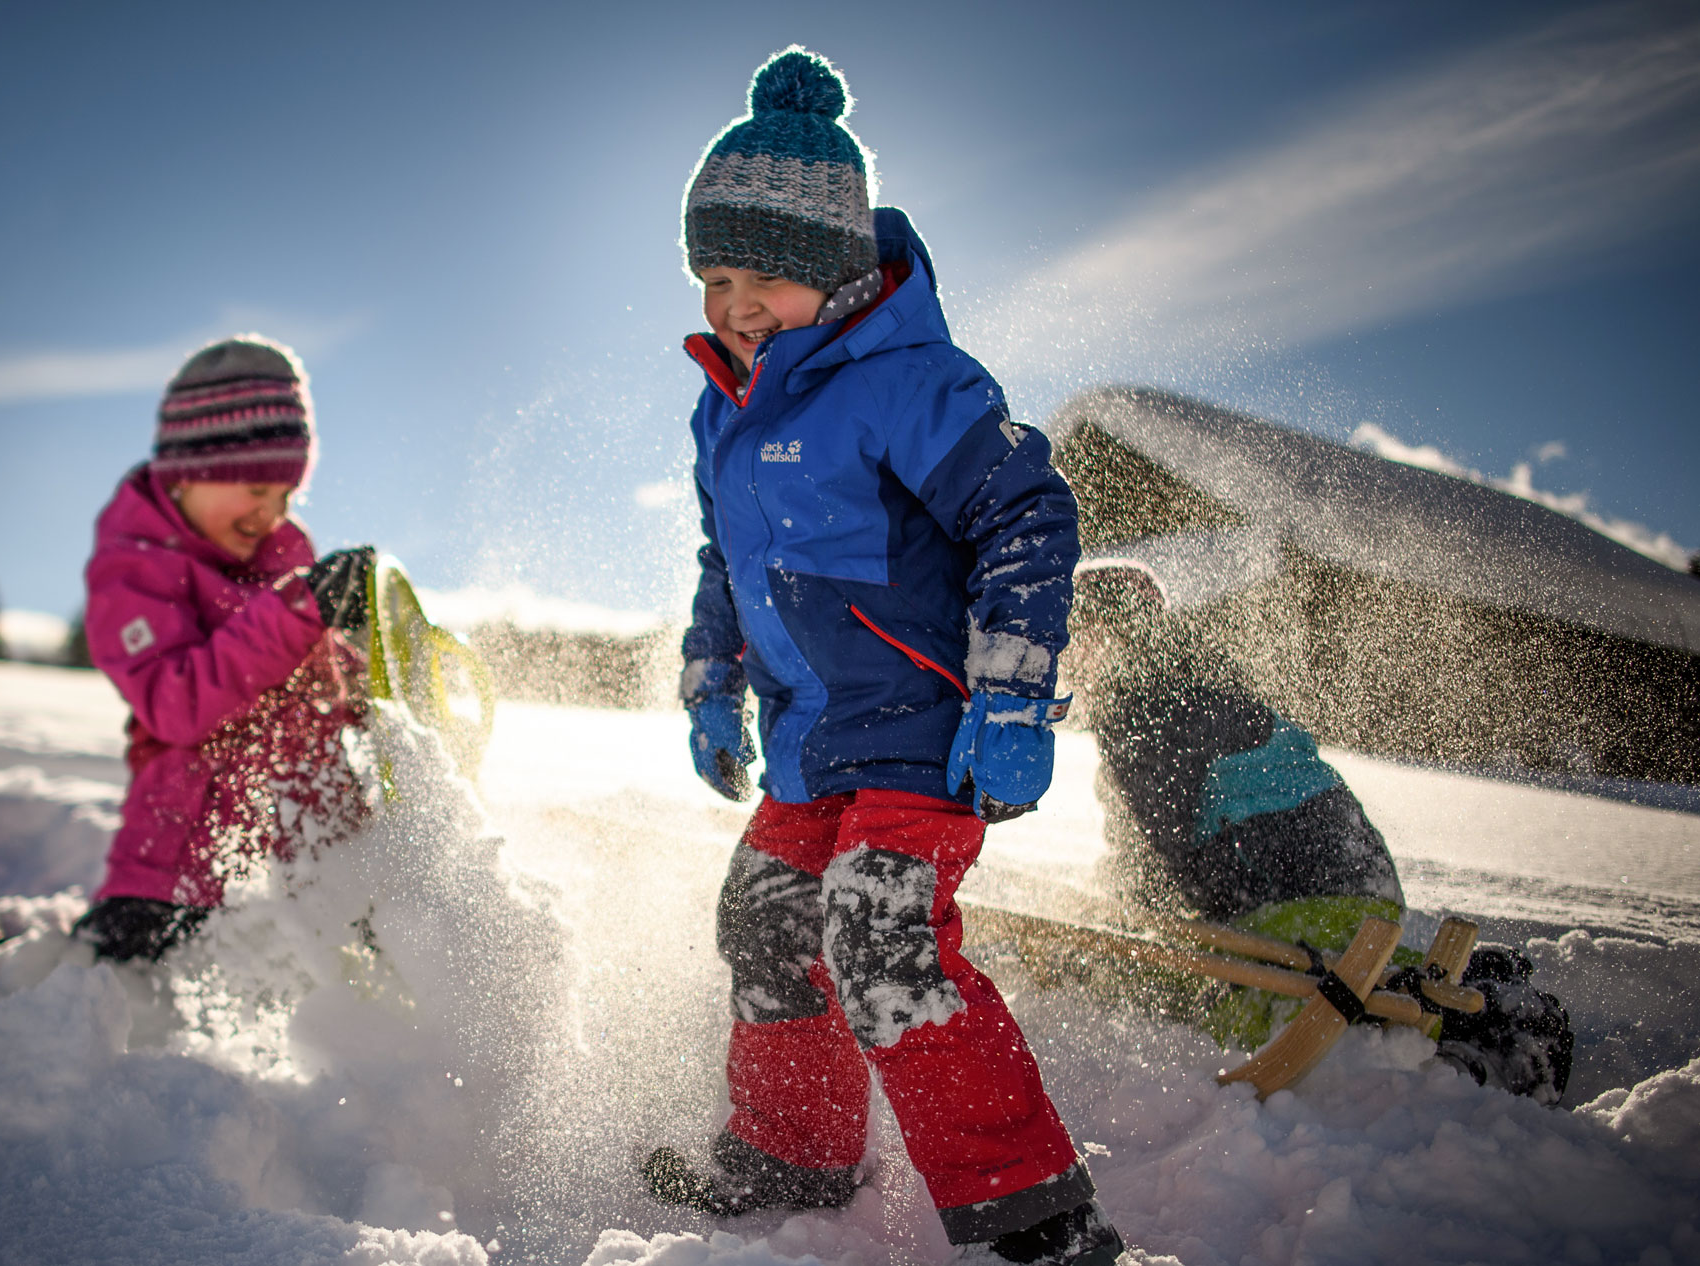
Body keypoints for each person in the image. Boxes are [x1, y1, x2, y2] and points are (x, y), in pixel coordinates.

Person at [643, 48, 1121, 1266]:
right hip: (813, 739)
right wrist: (713, 680)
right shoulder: (724, 408)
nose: (735, 304)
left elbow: (1026, 514)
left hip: (922, 729)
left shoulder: (913, 383)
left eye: (763, 275)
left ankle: (1035, 1219)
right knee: (766, 918)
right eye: (714, 276)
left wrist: (1012, 693)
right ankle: (793, 1156)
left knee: (880, 936)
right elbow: (723, 559)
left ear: (837, 269)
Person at [0, 337, 377, 963]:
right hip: (179, 880)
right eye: (257, 486)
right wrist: (298, 613)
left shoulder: (282, 566)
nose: (271, 513)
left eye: (287, 495)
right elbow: (176, 703)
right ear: (192, 470)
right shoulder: (138, 571)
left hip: (312, 874)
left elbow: (316, 695)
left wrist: (367, 664)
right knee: (88, 997)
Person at [1065, 559, 1573, 1103]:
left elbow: (1166, 853)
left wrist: (1120, 928)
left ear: (1107, 634)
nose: (1067, 659)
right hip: (1358, 876)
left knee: (1231, 1003)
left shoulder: (1142, 706)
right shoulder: (1197, 681)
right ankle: (1460, 1002)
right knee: (1337, 967)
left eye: (1073, 638)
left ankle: (1461, 1032)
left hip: (1292, 885)